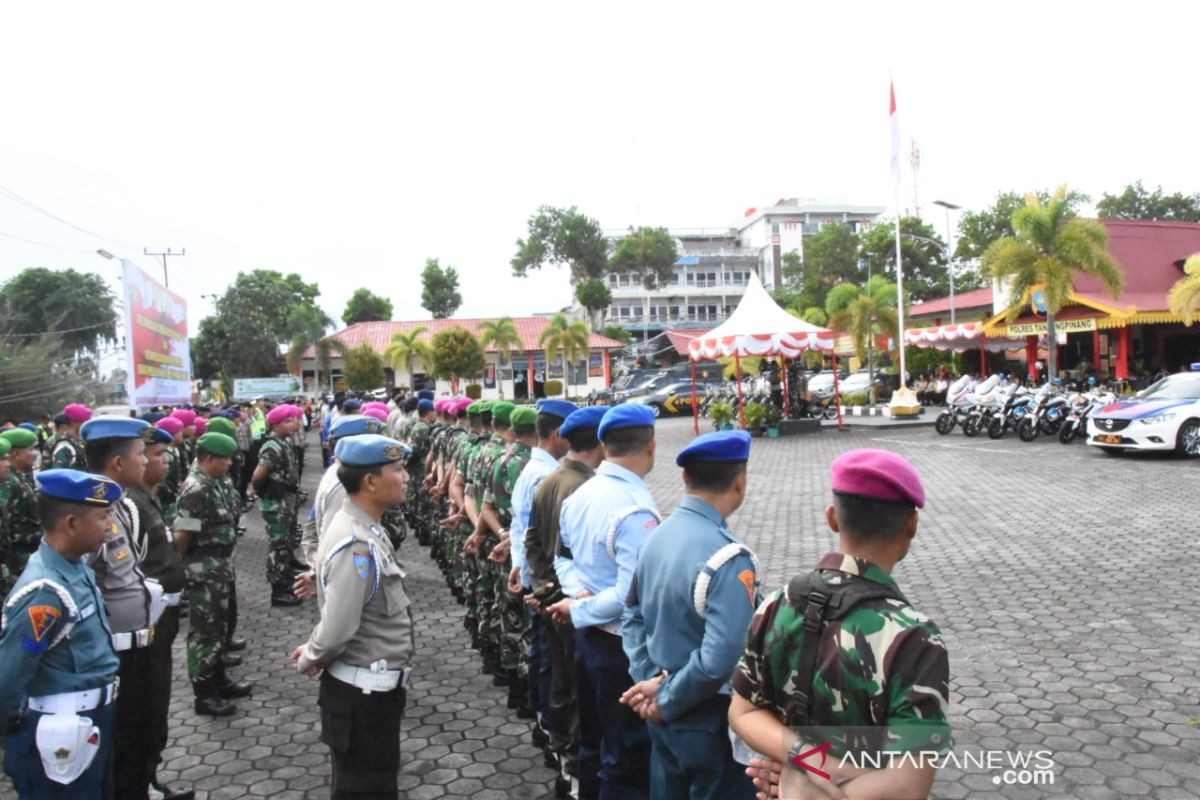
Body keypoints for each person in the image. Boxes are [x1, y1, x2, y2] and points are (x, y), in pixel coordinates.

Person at [728, 449, 951, 800]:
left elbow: (743, 711)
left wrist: (803, 767)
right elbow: (908, 786)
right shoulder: (914, 637)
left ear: (832, 518)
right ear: (912, 524)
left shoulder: (777, 604)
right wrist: (831, 774)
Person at [619, 430, 759, 799]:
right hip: (708, 718)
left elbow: (631, 616)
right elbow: (720, 659)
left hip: (661, 710)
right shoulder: (728, 557)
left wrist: (651, 680)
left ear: (684, 478)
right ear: (740, 481)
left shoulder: (654, 539)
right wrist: (666, 699)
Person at [291, 434, 415, 800]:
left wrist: (316, 650)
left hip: (370, 691)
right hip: (362, 698)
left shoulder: (364, 527)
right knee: (364, 789)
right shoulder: (356, 542)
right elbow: (338, 626)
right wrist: (313, 656)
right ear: (370, 481)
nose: (406, 477)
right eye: (398, 469)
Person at [549, 403, 660, 800]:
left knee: (594, 746)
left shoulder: (582, 495)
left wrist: (576, 595)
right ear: (651, 444)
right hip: (620, 649)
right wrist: (580, 606)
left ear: (603, 444)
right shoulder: (634, 508)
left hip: (589, 642)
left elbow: (562, 561)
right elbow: (633, 593)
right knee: (626, 758)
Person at [0, 469, 123, 799]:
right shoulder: (46, 592)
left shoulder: (74, 566)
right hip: (61, 733)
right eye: (102, 517)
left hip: (92, 719)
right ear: (71, 523)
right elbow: (8, 678)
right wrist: (16, 729)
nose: (110, 527)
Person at [524, 405, 606, 797]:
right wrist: (565, 597)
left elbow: (532, 543)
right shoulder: (586, 488)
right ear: (602, 442)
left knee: (561, 682)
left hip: (557, 603)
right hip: (576, 607)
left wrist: (544, 592)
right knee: (577, 691)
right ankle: (573, 770)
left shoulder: (550, 480)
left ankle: (562, 760)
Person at [81, 415, 164, 800]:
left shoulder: (119, 508)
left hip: (137, 647)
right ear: (116, 463)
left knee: (139, 739)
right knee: (122, 750)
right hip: (113, 658)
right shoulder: (89, 516)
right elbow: (81, 589)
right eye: (139, 454)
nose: (146, 460)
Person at [128, 425, 195, 800]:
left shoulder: (143, 497)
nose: (162, 461)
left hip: (159, 617)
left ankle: (147, 779)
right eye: (153, 455)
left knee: (155, 705)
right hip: (143, 622)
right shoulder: (127, 504)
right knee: (144, 707)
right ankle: (140, 784)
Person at [174, 432, 253, 717]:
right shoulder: (195, 488)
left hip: (218, 567)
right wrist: (182, 572)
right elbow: (182, 534)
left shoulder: (213, 481)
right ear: (209, 459)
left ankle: (219, 681)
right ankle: (204, 694)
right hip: (203, 572)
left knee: (218, 629)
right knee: (204, 634)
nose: (230, 463)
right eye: (225, 459)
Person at [253, 405, 303, 607]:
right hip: (277, 501)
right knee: (279, 545)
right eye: (287, 421)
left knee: (287, 542)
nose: (293, 424)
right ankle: (278, 590)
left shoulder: (283, 443)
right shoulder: (272, 446)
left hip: (286, 499)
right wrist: (261, 490)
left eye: (293, 420)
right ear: (276, 424)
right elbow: (258, 475)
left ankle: (286, 580)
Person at [1, 427, 41, 588]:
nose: (34, 453)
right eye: (30, 449)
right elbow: (5, 525)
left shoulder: (19, 477)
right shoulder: (9, 483)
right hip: (17, 560)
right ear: (16, 454)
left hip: (28, 554)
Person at [50, 404, 92, 470]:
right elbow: (59, 477)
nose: (87, 424)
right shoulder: (65, 448)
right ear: (76, 423)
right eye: (85, 421)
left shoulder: (79, 442)